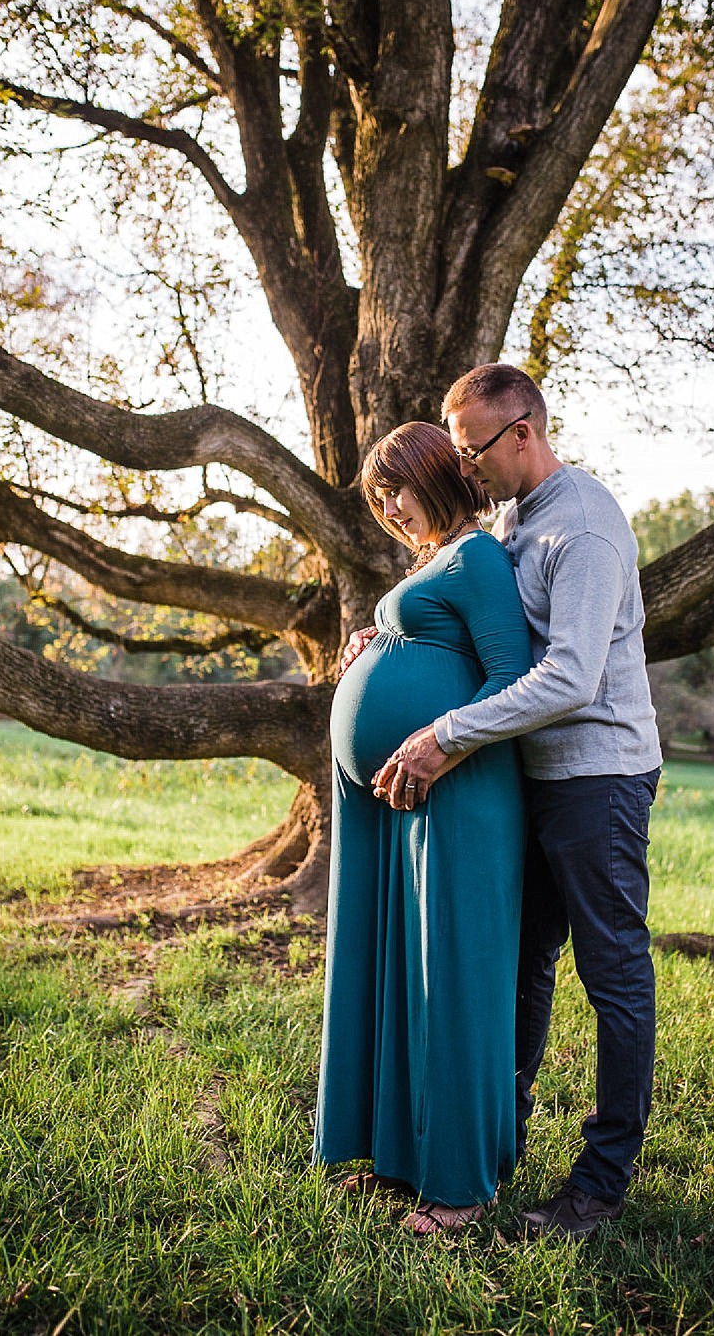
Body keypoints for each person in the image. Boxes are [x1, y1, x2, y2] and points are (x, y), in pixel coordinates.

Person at [371, 365, 662, 1243]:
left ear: (522, 433)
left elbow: (570, 677)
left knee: (612, 975)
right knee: (525, 963)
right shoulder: (513, 519)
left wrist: (446, 734)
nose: (463, 470)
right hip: (532, 776)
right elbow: (476, 626)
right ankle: (499, 1140)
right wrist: (386, 637)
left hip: (598, 778)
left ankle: (601, 1184)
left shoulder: (584, 531)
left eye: (471, 451)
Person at [313, 421, 533, 1234]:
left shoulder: (477, 555)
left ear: (439, 475)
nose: (392, 508)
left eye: (399, 489)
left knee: (453, 984)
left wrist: (434, 738)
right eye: (380, 498)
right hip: (398, 797)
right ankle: (400, 1156)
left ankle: (462, 1186)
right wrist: (380, 645)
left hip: (457, 788)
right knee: (398, 973)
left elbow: (512, 674)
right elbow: (441, 647)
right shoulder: (437, 560)